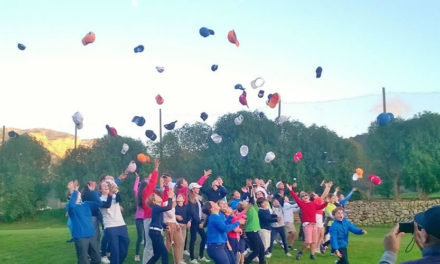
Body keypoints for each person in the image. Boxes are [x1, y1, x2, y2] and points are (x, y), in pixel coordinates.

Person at [66, 180, 111, 264]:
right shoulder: (71, 207)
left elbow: (99, 203)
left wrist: (93, 191)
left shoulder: (86, 204)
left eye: (78, 193)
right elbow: (71, 205)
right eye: (76, 194)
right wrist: (74, 191)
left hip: (91, 235)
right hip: (80, 237)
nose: (78, 194)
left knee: (97, 259)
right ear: (71, 197)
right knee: (83, 261)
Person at [286, 182, 331, 260]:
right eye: (303, 196)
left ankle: (312, 255)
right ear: (302, 199)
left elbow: (321, 207)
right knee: (308, 241)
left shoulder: (313, 204)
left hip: (314, 225)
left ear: (309, 197)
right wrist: (291, 190)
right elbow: (296, 198)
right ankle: (300, 252)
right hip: (307, 225)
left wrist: (326, 202)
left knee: (314, 241)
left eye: (306, 195)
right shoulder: (302, 204)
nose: (305, 196)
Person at [99, 179, 130, 264]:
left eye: (107, 185)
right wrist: (110, 194)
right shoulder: (99, 199)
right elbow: (107, 205)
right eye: (104, 186)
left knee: (124, 250)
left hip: (121, 225)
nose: (106, 187)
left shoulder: (114, 196)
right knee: (115, 251)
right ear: (100, 190)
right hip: (110, 227)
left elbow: (120, 199)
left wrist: (116, 190)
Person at [239, 185, 266, 264]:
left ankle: (262, 262)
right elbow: (251, 200)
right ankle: (245, 262)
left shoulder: (253, 207)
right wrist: (250, 189)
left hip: (254, 231)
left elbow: (252, 199)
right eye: (243, 203)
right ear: (243, 207)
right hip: (251, 231)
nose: (244, 202)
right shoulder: (248, 209)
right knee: (256, 250)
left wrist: (251, 191)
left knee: (262, 248)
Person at [146, 189, 174, 264]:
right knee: (164, 253)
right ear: (154, 201)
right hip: (155, 233)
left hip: (155, 232)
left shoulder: (157, 208)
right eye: (156, 196)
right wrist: (170, 197)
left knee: (157, 255)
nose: (159, 196)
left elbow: (159, 221)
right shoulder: (155, 207)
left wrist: (165, 226)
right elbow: (168, 207)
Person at [142, 159, 161, 264]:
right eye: (148, 178)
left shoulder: (151, 192)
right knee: (149, 245)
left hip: (153, 219)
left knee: (153, 246)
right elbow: (153, 181)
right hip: (149, 219)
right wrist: (156, 169)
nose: (151, 178)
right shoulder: (147, 190)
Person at [188, 182, 209, 263]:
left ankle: (201, 256)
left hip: (199, 221)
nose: (198, 189)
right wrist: (200, 221)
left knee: (204, 237)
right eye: (197, 188)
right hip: (194, 221)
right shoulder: (190, 198)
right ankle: (192, 258)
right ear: (193, 189)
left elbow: (201, 209)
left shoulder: (197, 197)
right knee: (193, 239)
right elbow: (193, 212)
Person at [133, 172, 146, 262]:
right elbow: (134, 189)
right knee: (140, 236)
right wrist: (137, 178)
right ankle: (137, 254)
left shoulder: (149, 195)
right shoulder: (138, 195)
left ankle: (145, 253)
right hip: (139, 218)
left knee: (146, 237)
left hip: (147, 218)